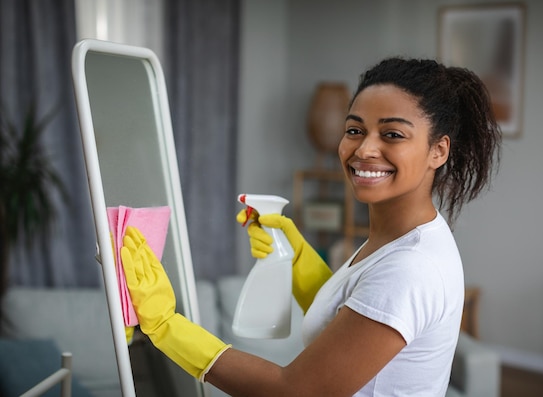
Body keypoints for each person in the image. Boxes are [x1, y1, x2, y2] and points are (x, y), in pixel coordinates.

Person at [121, 56, 501, 396]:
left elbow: (296, 391)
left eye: (393, 134)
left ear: (439, 150)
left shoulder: (409, 269)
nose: (365, 149)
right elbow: (352, 320)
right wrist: (297, 255)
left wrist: (167, 327)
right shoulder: (399, 238)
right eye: (354, 130)